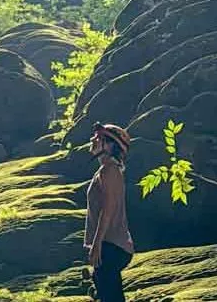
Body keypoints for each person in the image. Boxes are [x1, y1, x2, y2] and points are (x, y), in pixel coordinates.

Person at [84, 121, 134, 302]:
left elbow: (109, 208)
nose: (92, 140)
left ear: (110, 145)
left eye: (98, 138)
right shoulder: (105, 170)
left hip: (110, 245)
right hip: (108, 245)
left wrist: (97, 244)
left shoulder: (109, 170)